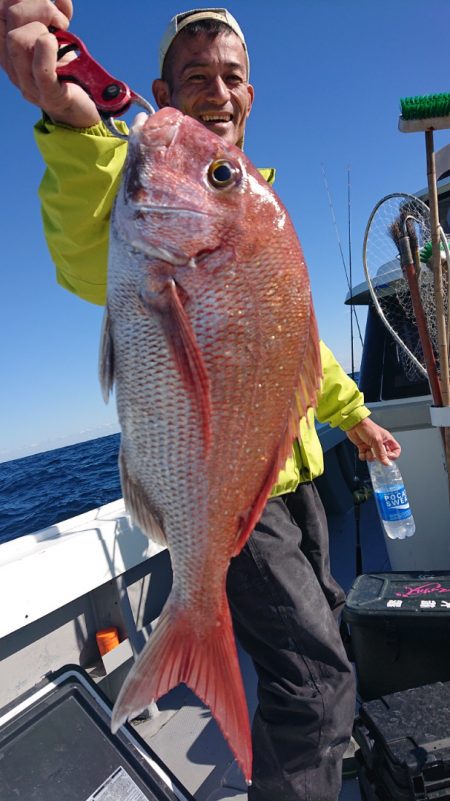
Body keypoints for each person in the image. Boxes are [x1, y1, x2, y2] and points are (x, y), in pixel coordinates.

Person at [0, 4, 401, 799]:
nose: (217, 91)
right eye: (196, 78)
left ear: (250, 94)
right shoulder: (144, 196)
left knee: (326, 621)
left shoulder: (250, 212)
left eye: (231, 76)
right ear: (159, 91)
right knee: (313, 689)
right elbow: (88, 248)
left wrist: (351, 414)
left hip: (291, 482)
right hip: (225, 500)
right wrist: (74, 128)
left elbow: (297, 354)